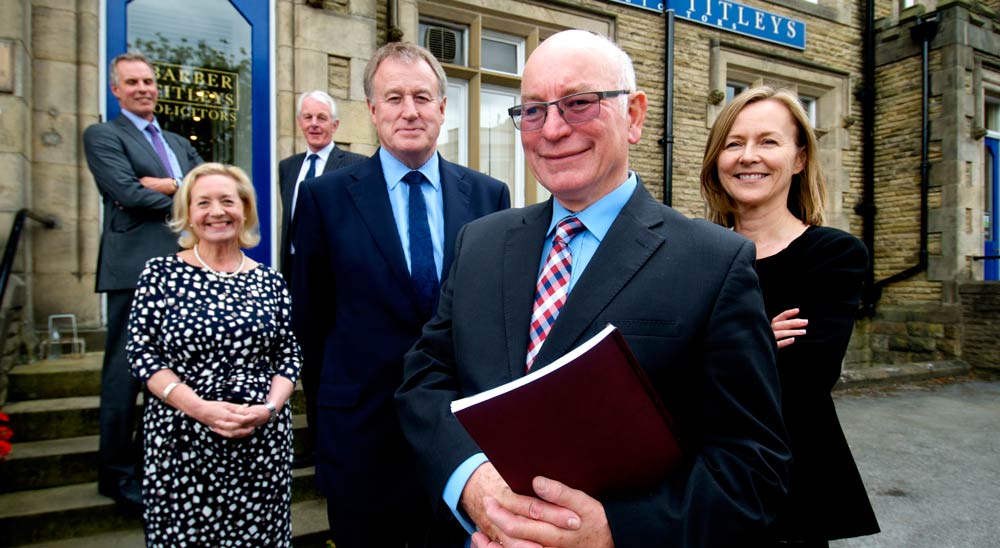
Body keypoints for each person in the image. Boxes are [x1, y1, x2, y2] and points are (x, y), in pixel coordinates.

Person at [395, 30, 790, 547]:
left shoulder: (714, 263)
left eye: (579, 104)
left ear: (635, 116)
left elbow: (753, 469)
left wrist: (613, 534)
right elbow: (426, 379)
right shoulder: (481, 242)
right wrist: (472, 484)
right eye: (533, 110)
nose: (553, 129)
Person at [290, 41, 510, 548]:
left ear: (442, 106)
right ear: (371, 110)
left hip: (462, 441)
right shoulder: (325, 199)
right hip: (361, 434)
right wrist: (326, 429)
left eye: (421, 96)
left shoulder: (488, 196)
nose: (409, 111)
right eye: (393, 98)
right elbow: (311, 321)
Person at [701, 86, 880, 546]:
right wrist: (759, 337)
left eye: (768, 141)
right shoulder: (694, 252)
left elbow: (804, 381)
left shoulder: (834, 255)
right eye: (733, 142)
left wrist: (704, 347)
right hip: (696, 486)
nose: (747, 156)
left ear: (799, 159)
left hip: (789, 488)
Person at [126, 163, 302, 547]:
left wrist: (270, 408)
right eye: (203, 203)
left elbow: (289, 354)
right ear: (188, 213)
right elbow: (141, 352)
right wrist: (200, 408)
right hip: (181, 444)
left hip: (261, 445)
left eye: (227, 201)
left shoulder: (269, 279)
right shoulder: (160, 274)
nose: (217, 212)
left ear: (245, 210)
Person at [83, 51, 203, 510]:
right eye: (132, 82)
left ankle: (155, 462)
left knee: (172, 372)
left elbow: (205, 184)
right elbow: (126, 192)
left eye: (149, 81)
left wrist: (167, 184)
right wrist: (180, 187)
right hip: (132, 270)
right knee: (124, 375)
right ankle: (114, 473)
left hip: (182, 268)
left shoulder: (174, 139)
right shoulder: (102, 135)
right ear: (116, 90)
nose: (143, 88)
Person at [278, 89, 366, 468]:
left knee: (337, 364)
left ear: (335, 125)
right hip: (297, 279)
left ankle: (337, 446)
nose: (314, 124)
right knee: (307, 364)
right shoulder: (288, 167)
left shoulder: (355, 165)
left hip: (337, 283)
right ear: (300, 123)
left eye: (321, 118)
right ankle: (314, 444)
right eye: (307, 117)